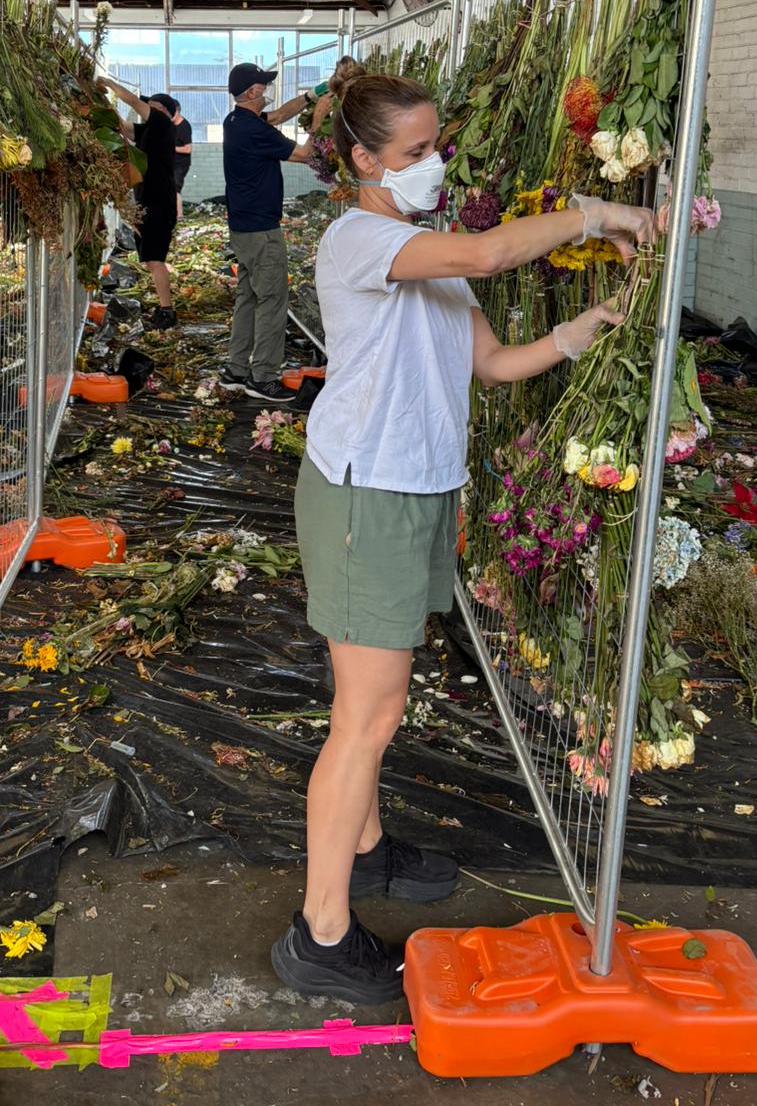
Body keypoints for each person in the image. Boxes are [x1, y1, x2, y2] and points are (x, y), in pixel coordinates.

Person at [270, 72, 655, 1005]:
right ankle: (319, 936)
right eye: (412, 153)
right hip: (369, 497)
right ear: (362, 162)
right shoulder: (362, 238)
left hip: (413, 489)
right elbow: (487, 259)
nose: (432, 165)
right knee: (368, 717)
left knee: (368, 702)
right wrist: (596, 212)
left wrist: (582, 330)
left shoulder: (423, 249)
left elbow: (488, 362)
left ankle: (362, 852)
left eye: (436, 146)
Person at [221, 62, 333, 402]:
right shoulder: (255, 131)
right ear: (253, 92)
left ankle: (236, 370)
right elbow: (305, 154)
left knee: (249, 296)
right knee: (272, 301)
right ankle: (263, 377)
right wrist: (320, 117)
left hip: (243, 227)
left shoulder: (237, 121)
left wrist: (312, 95)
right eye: (264, 86)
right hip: (262, 231)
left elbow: (279, 115)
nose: (267, 91)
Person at [100, 77, 180, 331]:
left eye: (151, 106)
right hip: (148, 202)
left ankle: (167, 311)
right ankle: (164, 307)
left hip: (158, 203)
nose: (145, 109)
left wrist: (109, 84)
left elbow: (134, 101)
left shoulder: (163, 123)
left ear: (162, 111)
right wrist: (100, 101)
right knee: (150, 258)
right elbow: (123, 127)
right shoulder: (150, 130)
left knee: (155, 259)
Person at [173, 109, 193, 217]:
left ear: (178, 111)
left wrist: (171, 148)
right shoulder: (171, 125)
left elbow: (188, 149)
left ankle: (179, 216)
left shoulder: (184, 126)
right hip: (172, 163)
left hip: (180, 164)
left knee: (175, 189)